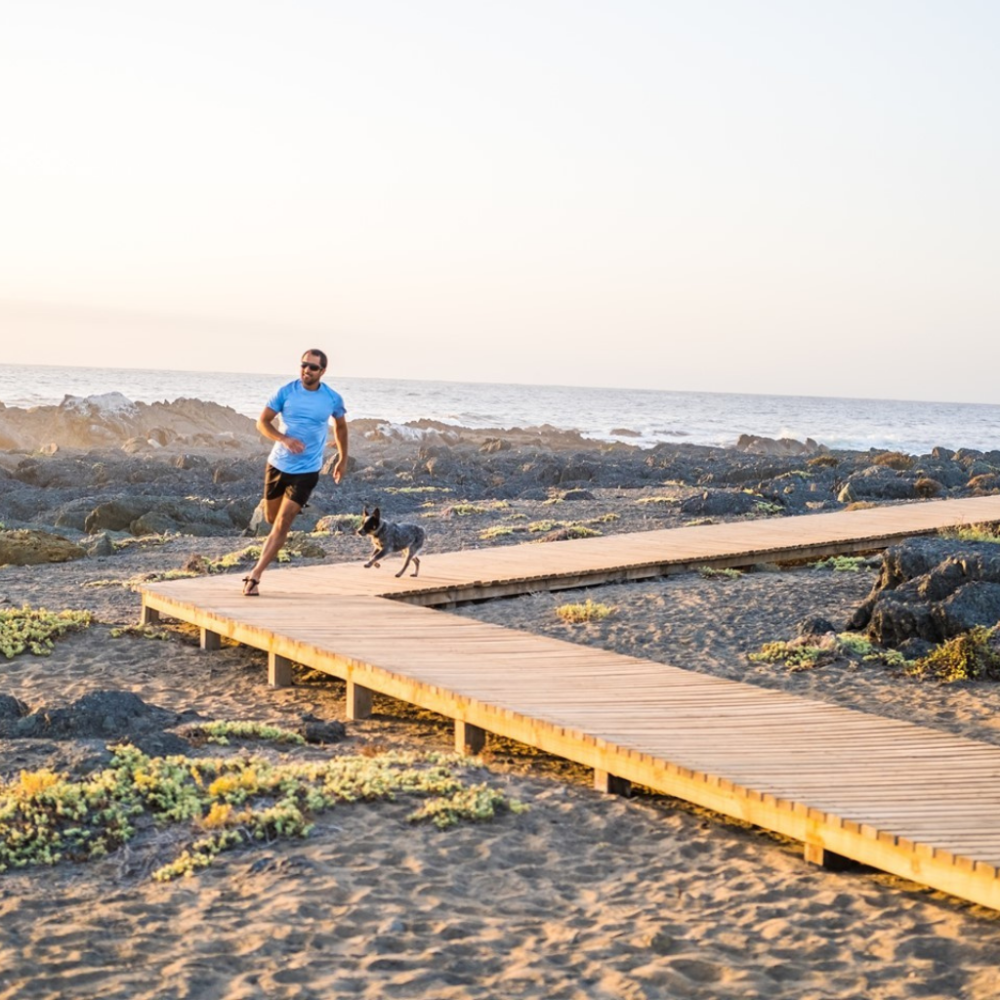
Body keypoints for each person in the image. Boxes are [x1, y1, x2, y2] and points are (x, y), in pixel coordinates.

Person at [242, 349, 348, 596]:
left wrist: (342, 458)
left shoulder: (332, 398)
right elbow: (262, 422)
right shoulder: (285, 392)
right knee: (271, 519)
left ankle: (255, 576)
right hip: (278, 465)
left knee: (283, 522)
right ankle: (280, 531)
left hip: (308, 470)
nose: (306, 371)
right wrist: (284, 439)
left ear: (322, 371)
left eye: (312, 367)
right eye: (303, 365)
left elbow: (341, 427)